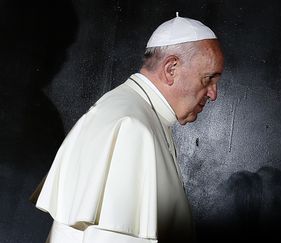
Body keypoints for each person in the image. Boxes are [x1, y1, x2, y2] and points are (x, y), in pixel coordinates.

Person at [33, 13, 224, 243]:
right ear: (171, 68)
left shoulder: (136, 111)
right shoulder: (132, 126)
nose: (213, 94)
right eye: (208, 79)